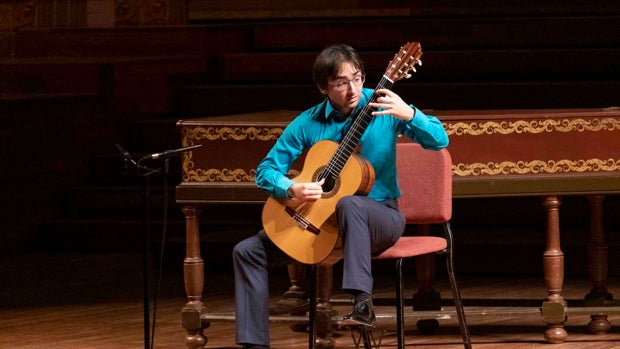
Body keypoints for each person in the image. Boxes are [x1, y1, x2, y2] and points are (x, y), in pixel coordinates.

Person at [232, 44, 448, 349]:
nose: (353, 89)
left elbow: (440, 141)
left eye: (357, 78)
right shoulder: (308, 122)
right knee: (247, 251)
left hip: (381, 216)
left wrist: (410, 114)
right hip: (322, 224)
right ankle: (254, 345)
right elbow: (265, 170)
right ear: (323, 87)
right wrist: (290, 188)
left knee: (349, 202)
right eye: (341, 83)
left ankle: (362, 303)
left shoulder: (384, 106)